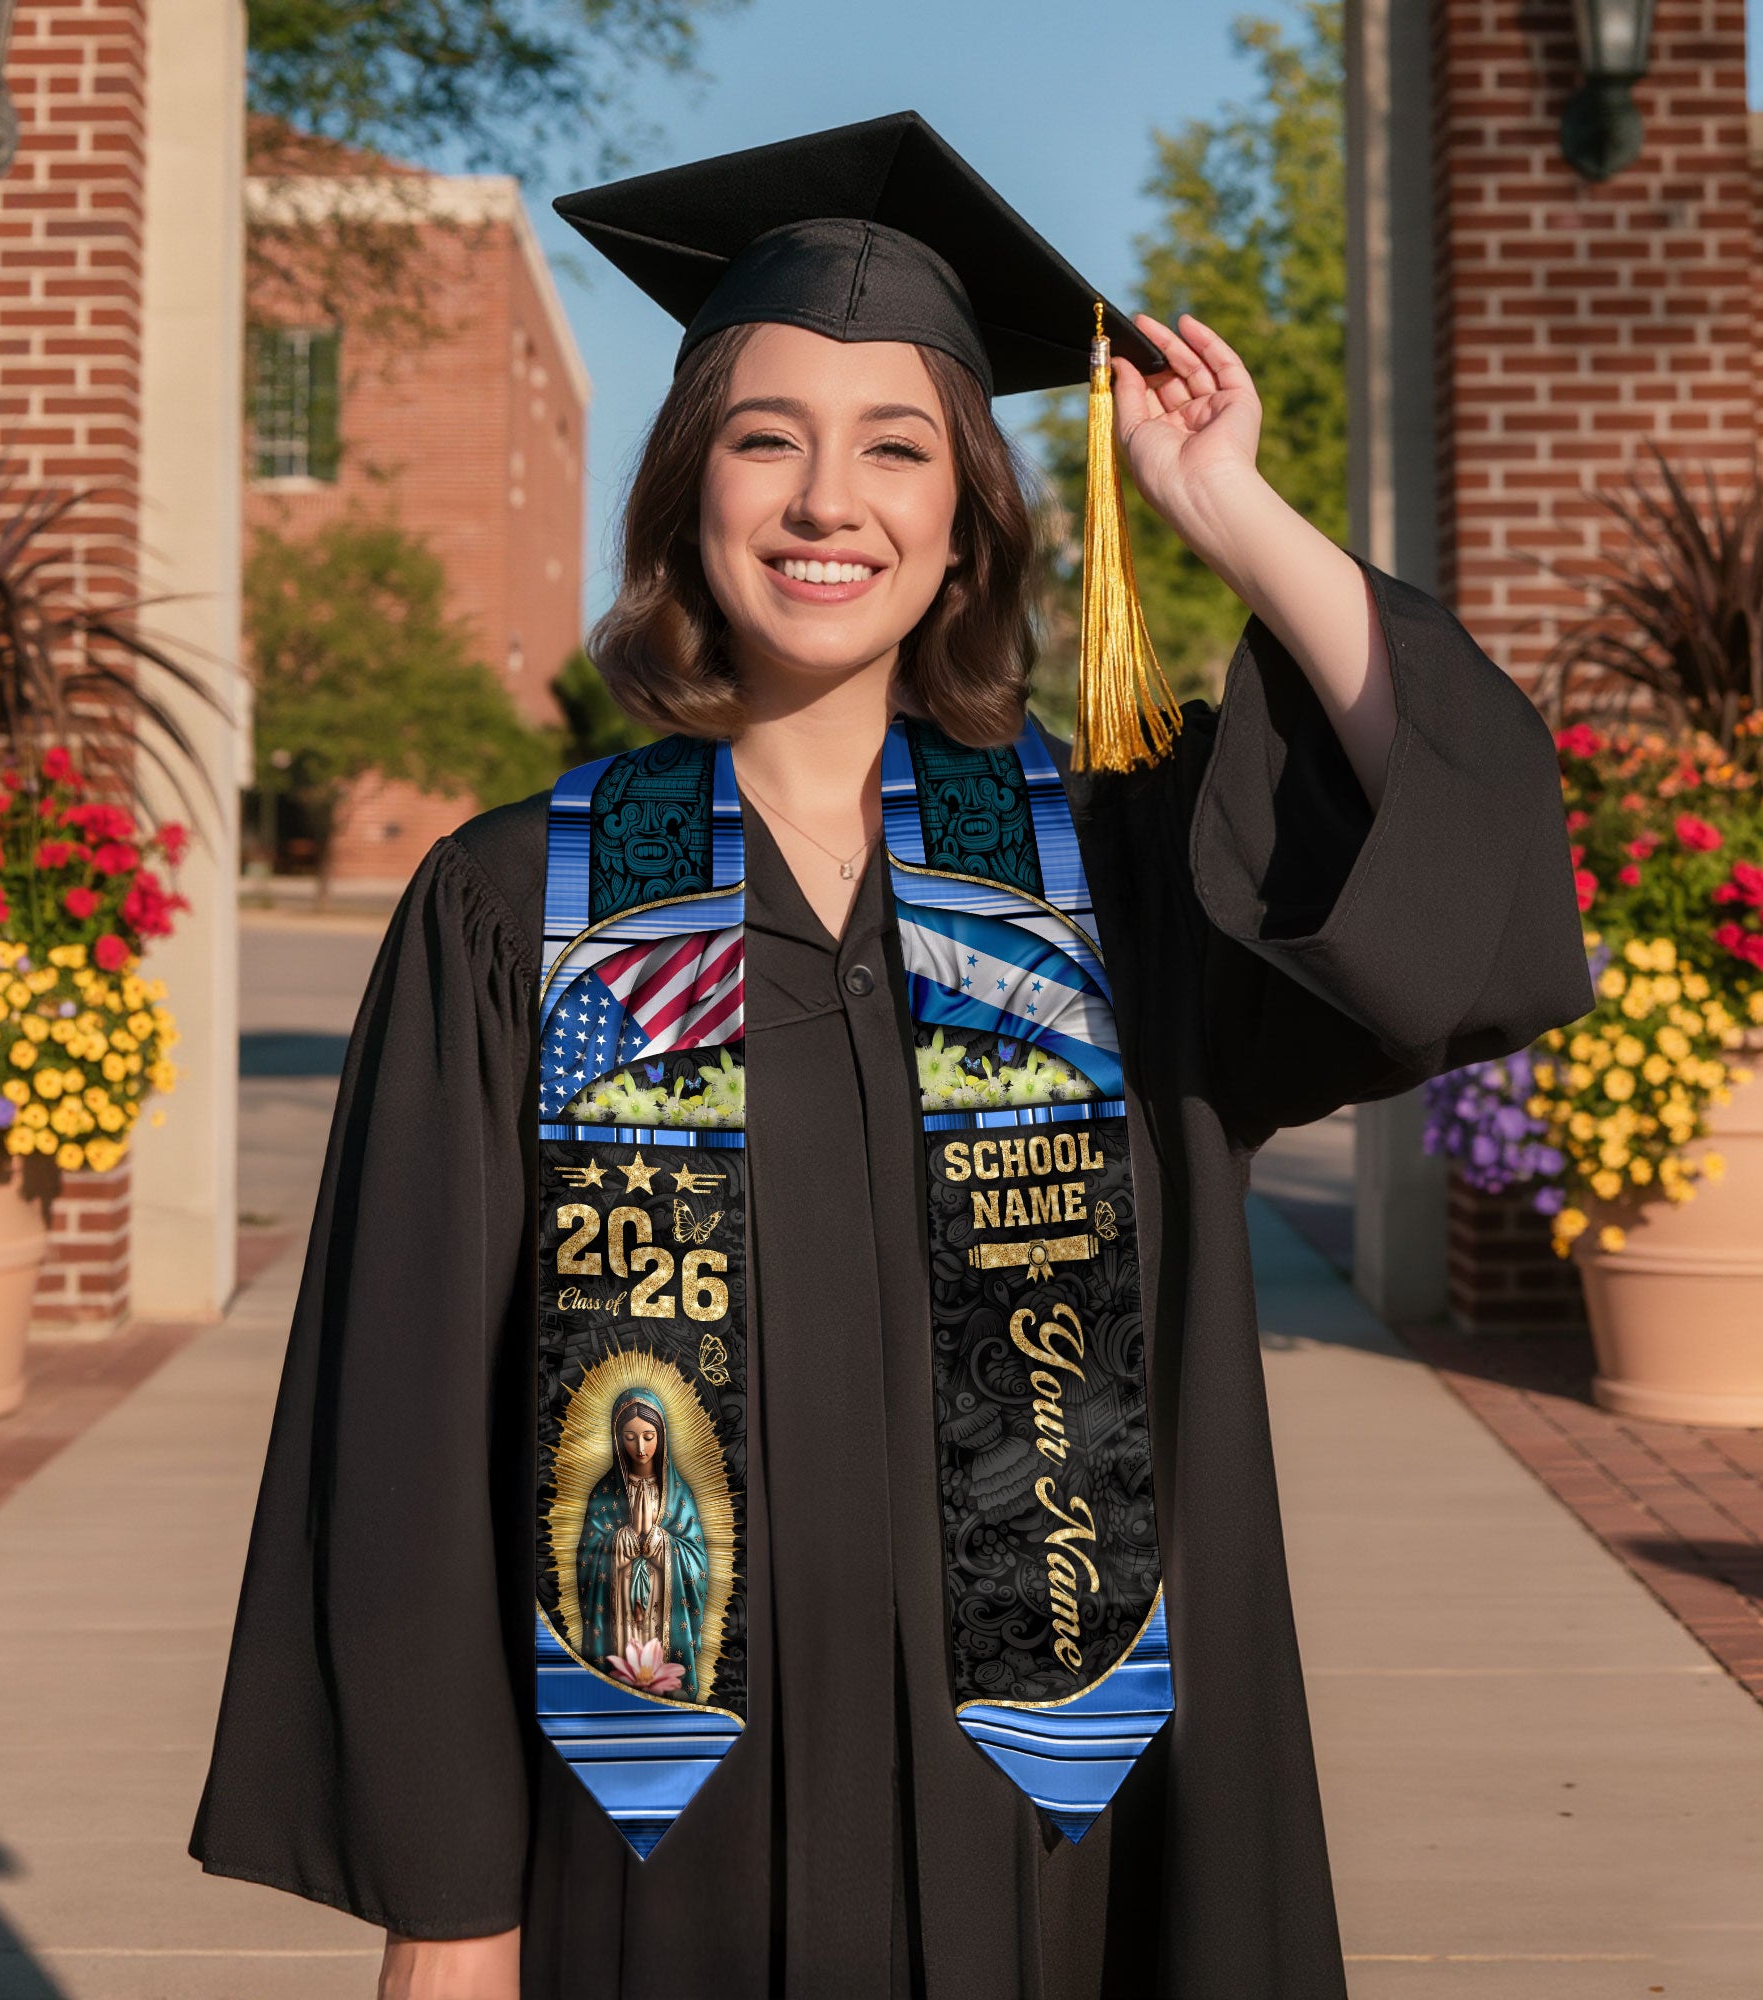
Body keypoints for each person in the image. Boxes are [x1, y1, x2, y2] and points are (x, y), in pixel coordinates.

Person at [189, 113, 1593, 1999]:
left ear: (965, 522)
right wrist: (449, 1910)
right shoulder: (519, 909)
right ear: (690, 488)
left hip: (1066, 1844)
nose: (825, 500)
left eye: (896, 448)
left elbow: (1459, 875)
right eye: (767, 439)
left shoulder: (1114, 879)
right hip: (654, 1845)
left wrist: (1227, 508)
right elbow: (411, 1434)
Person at [576, 1387, 711, 1700]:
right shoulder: (604, 1494)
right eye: (630, 1436)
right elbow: (587, 1556)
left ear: (661, 1436)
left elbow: (697, 1558)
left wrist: (663, 1545)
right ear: (617, 1438)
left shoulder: (680, 1496)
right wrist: (619, 1542)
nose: (640, 1447)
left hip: (663, 1611)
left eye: (649, 1436)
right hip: (619, 1611)